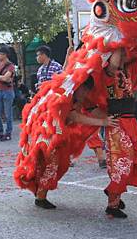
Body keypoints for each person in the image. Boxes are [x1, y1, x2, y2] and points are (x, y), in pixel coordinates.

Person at [34, 76, 116, 209]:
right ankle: (40, 196)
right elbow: (74, 116)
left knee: (60, 164)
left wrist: (111, 118)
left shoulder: (80, 97)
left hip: (58, 133)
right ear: (78, 86)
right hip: (48, 132)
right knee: (52, 164)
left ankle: (40, 192)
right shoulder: (66, 94)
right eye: (84, 89)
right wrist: (103, 122)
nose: (85, 93)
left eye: (87, 90)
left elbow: (91, 110)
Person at [101, 48, 137, 219]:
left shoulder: (131, 69)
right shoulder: (107, 71)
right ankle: (112, 204)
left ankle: (114, 190)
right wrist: (119, 42)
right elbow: (113, 63)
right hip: (116, 123)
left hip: (132, 121)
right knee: (122, 164)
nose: (125, 54)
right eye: (122, 52)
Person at [0, 47, 16, 141]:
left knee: (8, 114)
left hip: (8, 91)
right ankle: (0, 131)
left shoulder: (11, 66)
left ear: (5, 55)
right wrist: (2, 77)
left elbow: (6, 78)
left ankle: (8, 132)